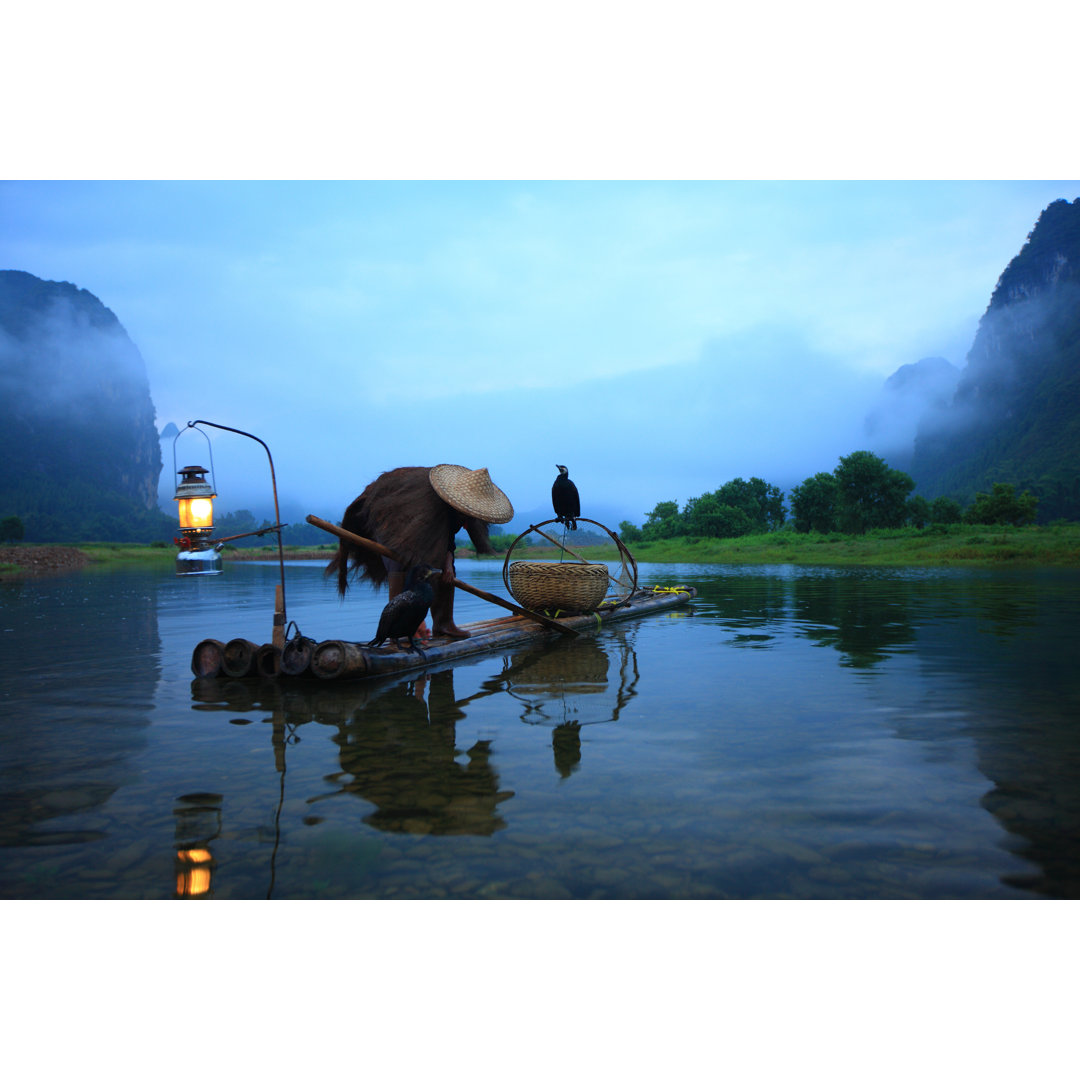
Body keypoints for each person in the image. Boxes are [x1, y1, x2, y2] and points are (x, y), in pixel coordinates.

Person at [327, 464, 514, 639]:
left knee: (446, 573)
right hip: (395, 532)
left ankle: (444, 624)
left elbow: (447, 538)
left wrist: (448, 564)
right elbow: (418, 553)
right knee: (401, 572)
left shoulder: (461, 509)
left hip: (420, 537)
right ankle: (400, 631)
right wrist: (417, 619)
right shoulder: (428, 503)